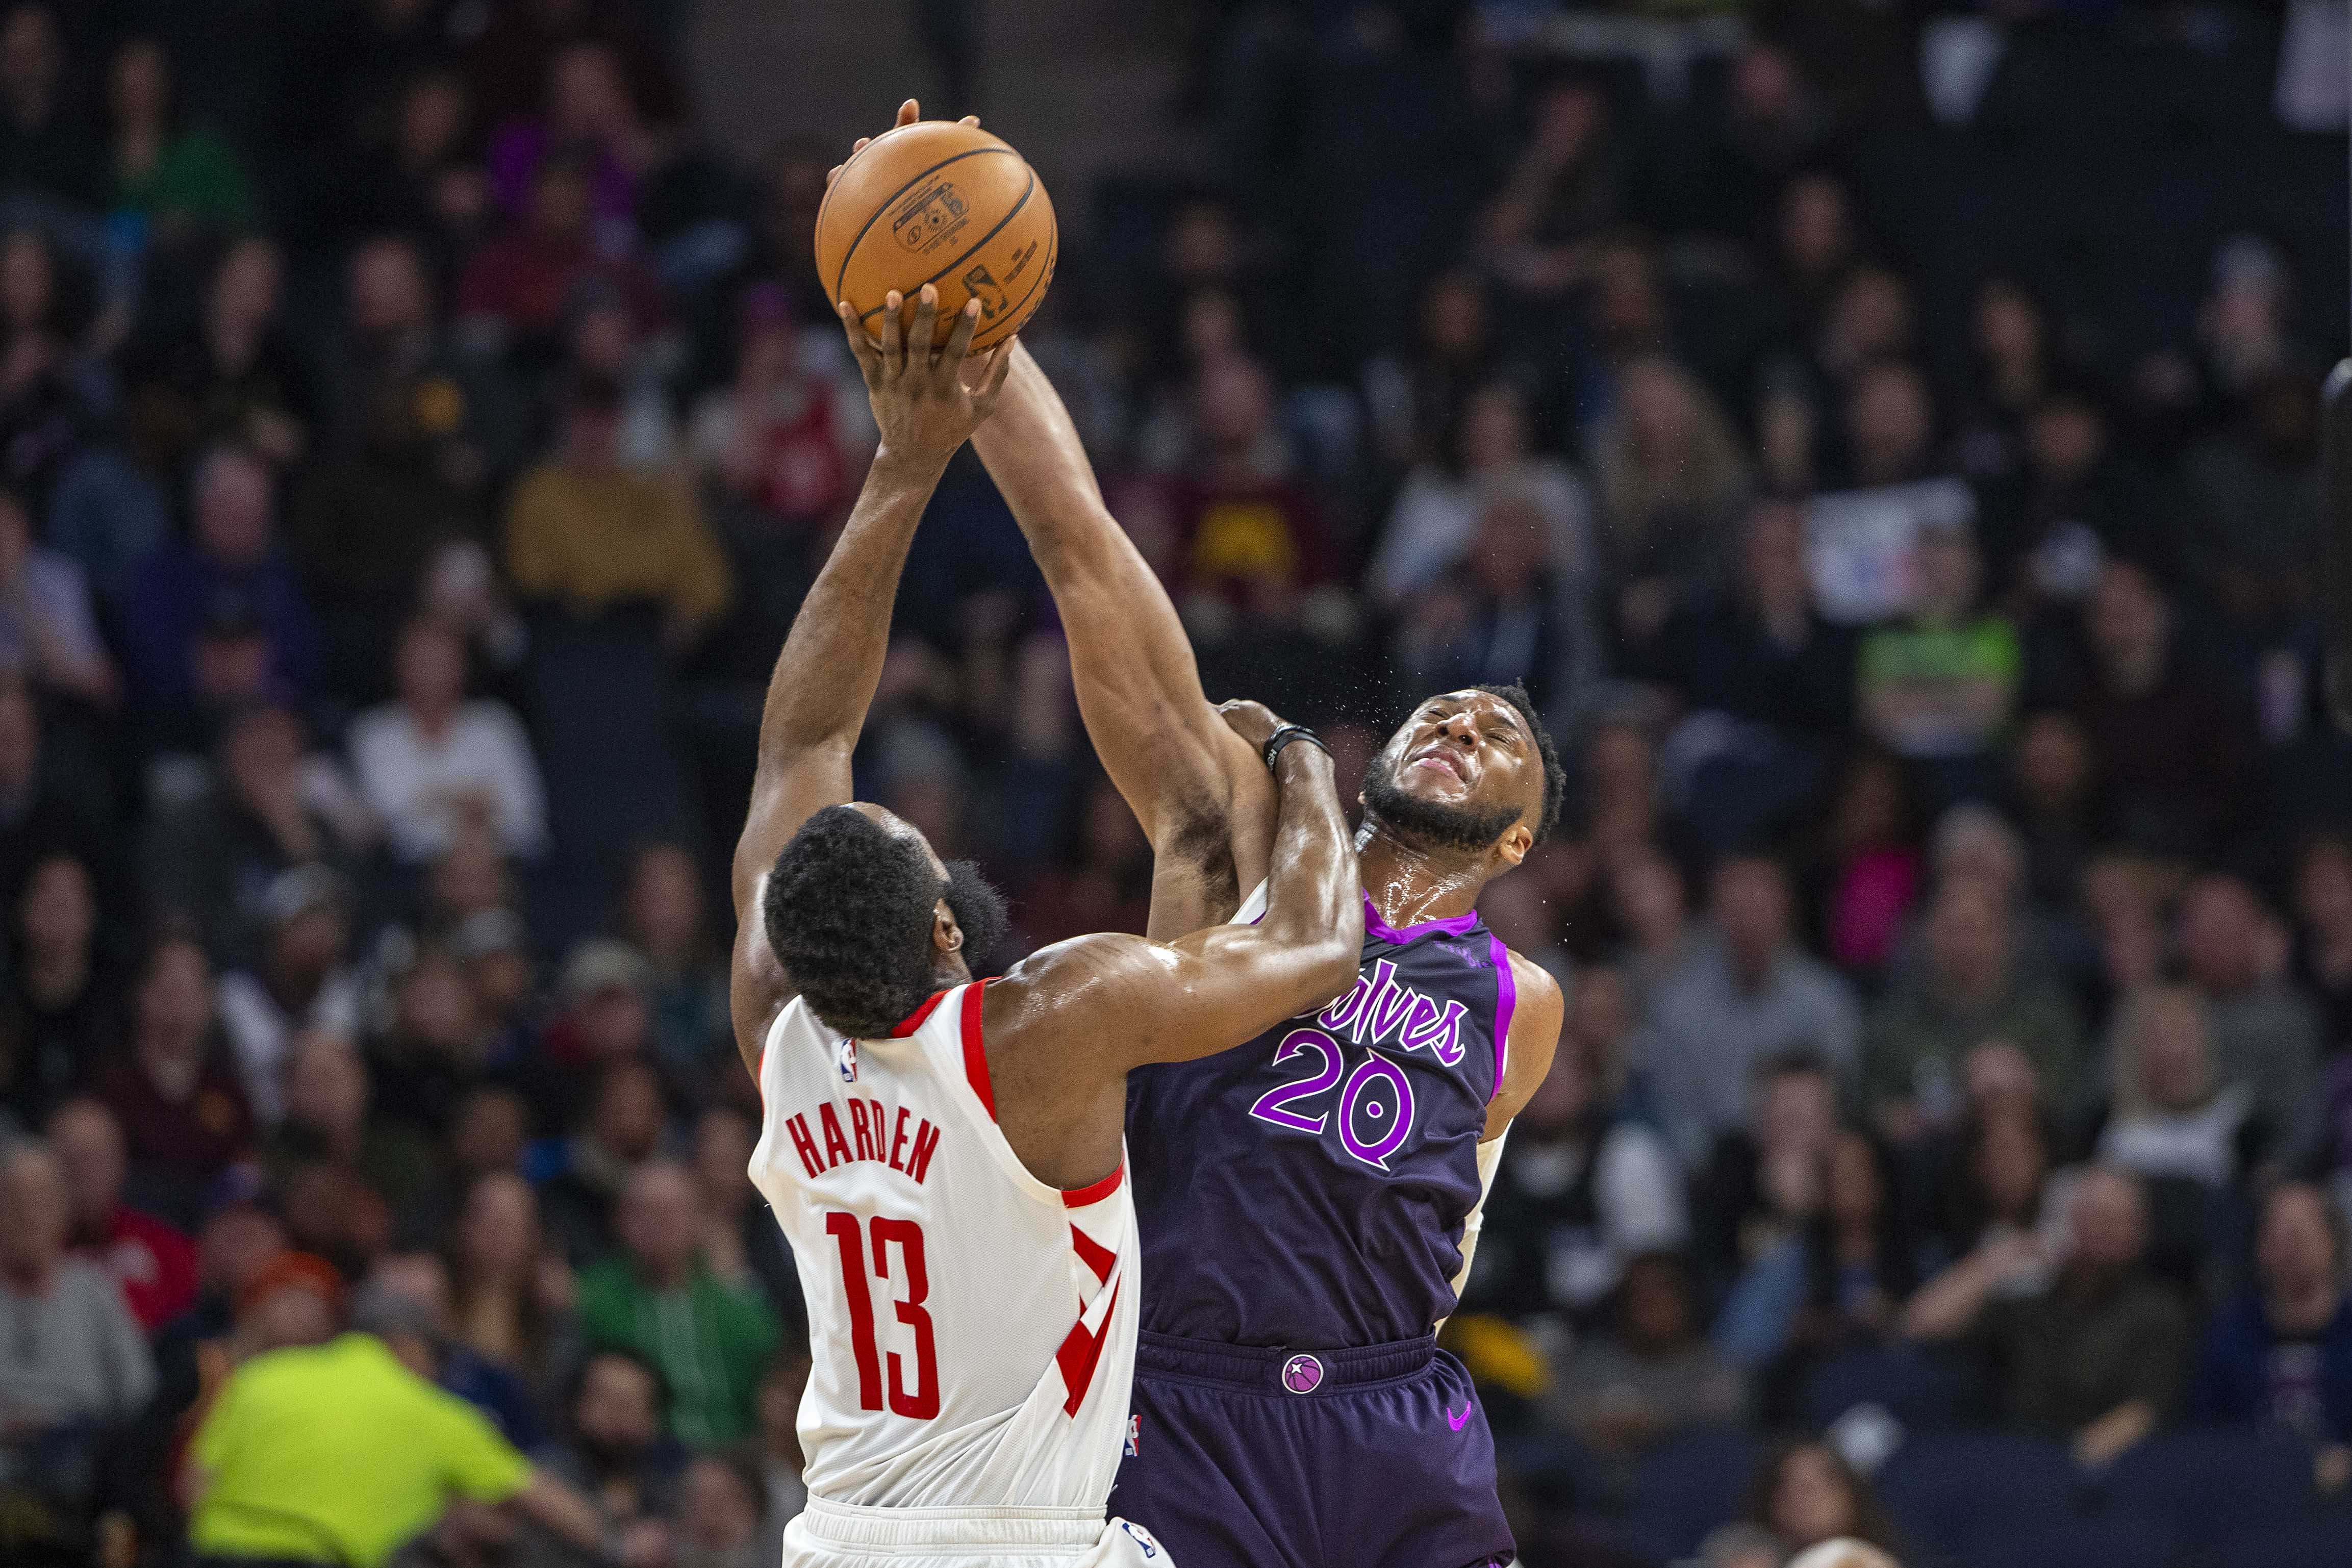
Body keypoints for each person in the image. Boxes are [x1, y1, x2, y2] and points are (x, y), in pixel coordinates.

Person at [901, 98, 1565, 1567]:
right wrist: (986, 357)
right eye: (1441, 712)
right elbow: (1094, 571)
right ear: (1377, 747)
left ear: (1517, 842)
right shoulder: (1244, 846)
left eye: (1500, 738)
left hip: (1397, 1412)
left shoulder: (1521, 1008)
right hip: (1190, 1404)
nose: (1462, 727)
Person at [729, 274, 1360, 1568]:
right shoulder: (1046, 1022)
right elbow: (1315, 949)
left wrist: (902, 469)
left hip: (839, 1538)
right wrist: (1296, 756)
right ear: (951, 934)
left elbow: (802, 735)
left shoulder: (776, 1032)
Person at [185, 1277, 613, 1568]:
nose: (437, 1372)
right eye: (434, 1357)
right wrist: (618, 1545)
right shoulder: (437, 1414)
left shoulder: (266, 1375)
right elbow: (548, 1503)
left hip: (208, 1554)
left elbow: (194, 1483)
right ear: (409, 1347)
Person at [1904, 1164, 2189, 1463]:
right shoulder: (2030, 1298)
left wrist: (2058, 1472)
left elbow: (2140, 1414)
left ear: (2139, 1233)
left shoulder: (2160, 1312)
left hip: (2090, 1470)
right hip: (2007, 1454)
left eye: (2112, 1222)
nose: (2096, 1233)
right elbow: (1922, 1325)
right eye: (2087, 1217)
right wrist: (1996, 1263)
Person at [576, 1159, 781, 1448]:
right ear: (622, 1220)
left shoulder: (733, 1301)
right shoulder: (594, 1295)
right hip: (638, 1456)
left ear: (698, 1221)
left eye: (674, 1212)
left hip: (735, 1453)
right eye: (647, 1211)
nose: (661, 1224)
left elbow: (771, 1373)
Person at [2192, 1181, 2352, 1491]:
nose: (2289, 1248)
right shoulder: (2232, 1329)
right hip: (2248, 1493)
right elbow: (2205, 1429)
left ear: (2332, 1242)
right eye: (2277, 1235)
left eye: (2300, 1236)